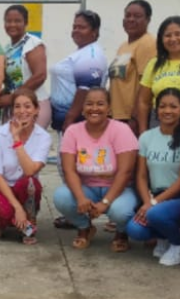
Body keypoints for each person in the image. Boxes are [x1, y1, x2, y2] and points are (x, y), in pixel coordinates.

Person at [52, 87, 139, 252]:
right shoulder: (72, 131)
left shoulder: (121, 130)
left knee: (120, 212)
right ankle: (84, 228)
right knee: (61, 197)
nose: (94, 108)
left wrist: (105, 203)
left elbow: (125, 172)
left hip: (119, 188)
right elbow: (69, 170)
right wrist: (80, 198)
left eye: (100, 104)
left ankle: (121, 232)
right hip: (87, 187)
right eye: (89, 104)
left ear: (109, 108)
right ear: (83, 108)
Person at [126, 88, 180, 266]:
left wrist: (153, 204)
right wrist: (147, 201)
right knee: (134, 229)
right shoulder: (147, 137)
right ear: (156, 110)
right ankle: (164, 237)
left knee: (155, 214)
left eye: (173, 106)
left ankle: (179, 244)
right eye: (162, 106)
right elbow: (141, 176)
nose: (167, 111)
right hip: (155, 196)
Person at [0, 90, 50, 244]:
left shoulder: (43, 137)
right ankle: (12, 223)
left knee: (30, 183)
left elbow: (30, 171)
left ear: (36, 109)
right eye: (17, 106)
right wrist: (17, 207)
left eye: (27, 106)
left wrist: (16, 139)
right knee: (4, 211)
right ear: (12, 110)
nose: (22, 111)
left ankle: (28, 221)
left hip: (23, 187)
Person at [49, 10, 108, 134]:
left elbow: (85, 89)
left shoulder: (91, 55)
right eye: (74, 27)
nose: (76, 30)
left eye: (82, 27)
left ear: (94, 31)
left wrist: (69, 119)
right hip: (65, 117)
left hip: (76, 120)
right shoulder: (82, 52)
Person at [107, 0, 156, 134]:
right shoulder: (124, 46)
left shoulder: (148, 43)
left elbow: (145, 85)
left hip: (131, 118)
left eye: (137, 16)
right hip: (116, 115)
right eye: (127, 15)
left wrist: (135, 119)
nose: (131, 19)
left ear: (148, 20)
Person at [0, 4, 48, 126]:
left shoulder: (33, 43)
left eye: (17, 21)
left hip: (33, 105)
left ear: (26, 22)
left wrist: (12, 98)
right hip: (14, 107)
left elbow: (40, 75)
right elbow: (13, 82)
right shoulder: (8, 49)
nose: (12, 24)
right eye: (8, 21)